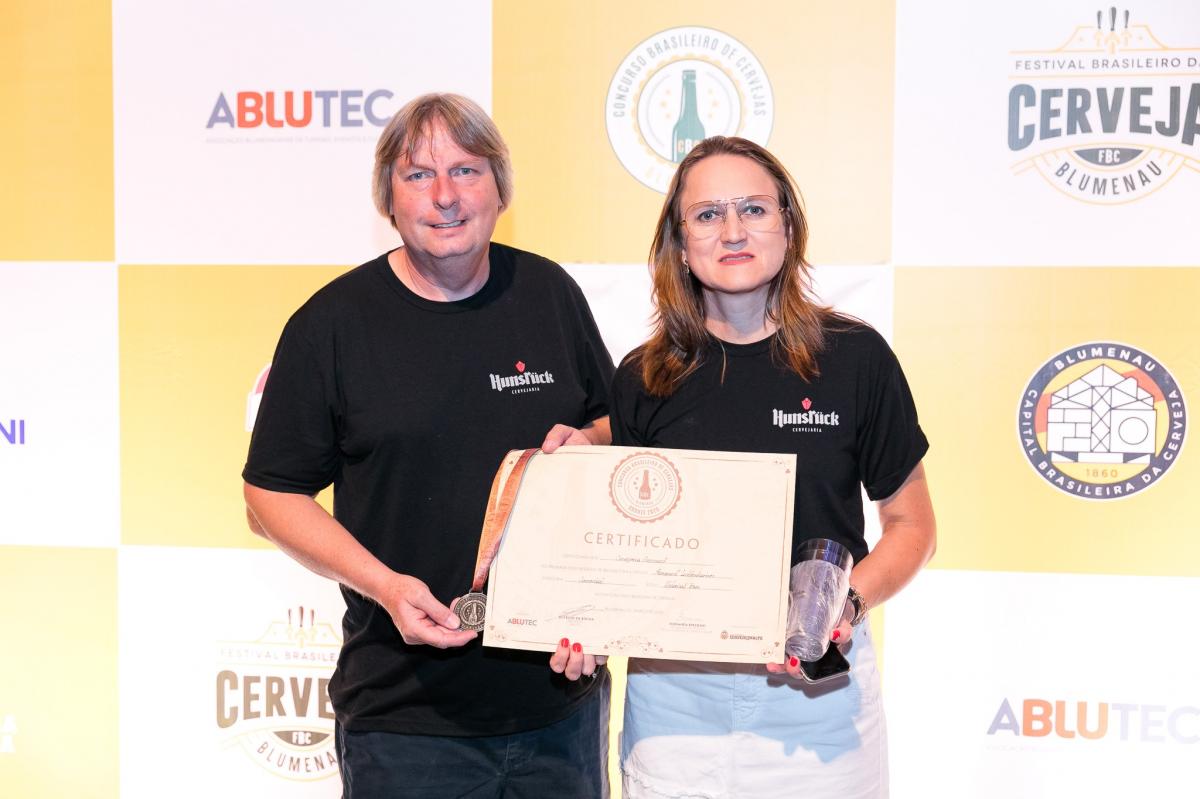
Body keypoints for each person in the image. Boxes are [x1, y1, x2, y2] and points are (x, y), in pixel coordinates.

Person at [242, 93, 614, 798]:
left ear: (500, 188)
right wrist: (384, 586)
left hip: (560, 709)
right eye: (418, 175)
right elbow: (268, 492)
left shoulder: (549, 292)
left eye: (467, 171)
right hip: (404, 722)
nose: (445, 196)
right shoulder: (331, 325)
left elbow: (610, 428)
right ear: (387, 196)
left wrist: (589, 440)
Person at [609, 136, 936, 798]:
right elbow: (619, 548)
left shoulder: (855, 358)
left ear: (788, 225)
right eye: (707, 214)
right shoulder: (643, 378)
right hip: (676, 699)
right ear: (679, 239)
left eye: (754, 209)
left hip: (818, 693)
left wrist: (845, 604)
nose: (732, 230)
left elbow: (911, 525)